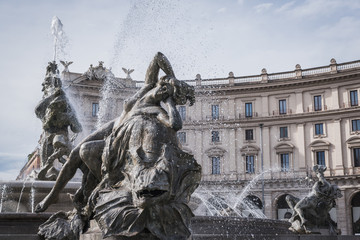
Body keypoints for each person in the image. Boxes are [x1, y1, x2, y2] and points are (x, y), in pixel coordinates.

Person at [35, 52, 194, 213]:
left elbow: (175, 124)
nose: (164, 91)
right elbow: (158, 57)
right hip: (117, 123)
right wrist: (173, 78)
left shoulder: (157, 111)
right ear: (161, 83)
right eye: (165, 87)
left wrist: (170, 103)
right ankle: (52, 195)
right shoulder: (147, 87)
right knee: (75, 152)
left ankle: (109, 183)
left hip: (122, 135)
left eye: (168, 92)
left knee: (85, 151)